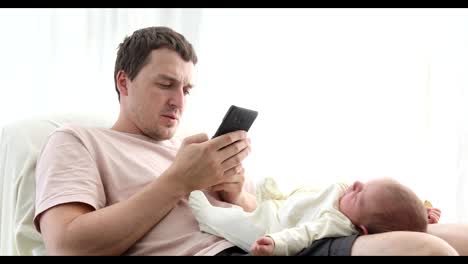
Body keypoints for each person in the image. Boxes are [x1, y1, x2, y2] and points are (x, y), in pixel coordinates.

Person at [32, 26, 467, 256]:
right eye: (165, 84)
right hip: (233, 252)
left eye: (186, 89)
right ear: (123, 82)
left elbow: (259, 214)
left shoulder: (187, 149)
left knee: (459, 236)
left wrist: (235, 193)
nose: (178, 101)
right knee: (423, 250)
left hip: (275, 237)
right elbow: (69, 245)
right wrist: (177, 181)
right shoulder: (77, 141)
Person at [188, 177, 432, 256]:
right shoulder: (345, 197)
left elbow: (303, 235)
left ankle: (208, 217)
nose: (356, 185)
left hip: (274, 226)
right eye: (364, 184)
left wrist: (276, 243)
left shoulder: (336, 223)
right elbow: (306, 195)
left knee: (239, 224)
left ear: (362, 230)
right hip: (280, 206)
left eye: (360, 196)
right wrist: (421, 210)